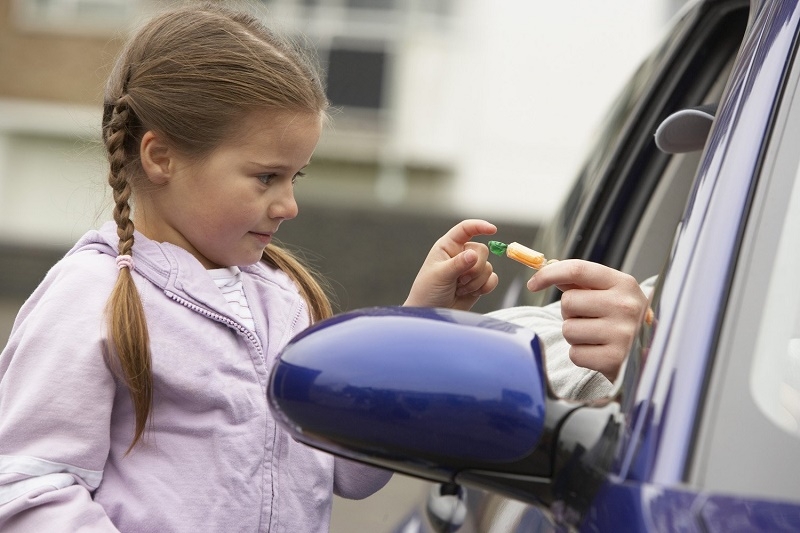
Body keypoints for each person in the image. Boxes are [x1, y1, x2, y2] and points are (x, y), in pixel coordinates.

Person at [0, 5, 499, 532]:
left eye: (295, 178)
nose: (288, 205)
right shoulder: (91, 298)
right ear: (161, 157)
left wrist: (420, 324)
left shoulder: (285, 300)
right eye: (266, 177)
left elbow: (353, 471)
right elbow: (29, 487)